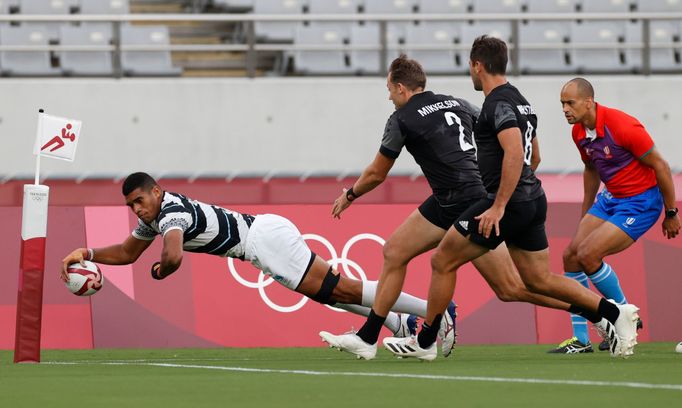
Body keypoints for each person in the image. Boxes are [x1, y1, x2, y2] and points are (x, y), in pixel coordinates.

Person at [381, 36, 640, 360]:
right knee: (538, 280)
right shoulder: (520, 101)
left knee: (442, 259)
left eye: (470, 67)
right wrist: (520, 191)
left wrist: (500, 204)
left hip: (509, 203)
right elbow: (536, 156)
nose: (471, 74)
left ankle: (425, 343)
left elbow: (516, 153)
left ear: (478, 66)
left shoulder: (497, 104)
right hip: (531, 198)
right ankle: (615, 313)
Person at [318, 55, 582, 361]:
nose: (389, 97)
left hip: (470, 201)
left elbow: (378, 173)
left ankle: (595, 312)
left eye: (390, 89)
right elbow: (506, 126)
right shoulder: (456, 102)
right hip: (447, 199)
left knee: (511, 288)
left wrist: (349, 195)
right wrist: (529, 155)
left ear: (402, 88)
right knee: (394, 251)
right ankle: (368, 337)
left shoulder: (401, 119)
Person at [60, 172, 451, 341]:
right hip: (261, 238)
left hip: (261, 241)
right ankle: (400, 324)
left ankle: (436, 312)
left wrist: (163, 269)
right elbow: (128, 252)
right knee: (331, 294)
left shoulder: (170, 211)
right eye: (131, 206)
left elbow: (174, 253)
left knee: (341, 289)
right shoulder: (157, 214)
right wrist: (89, 251)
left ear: (156, 191)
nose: (137, 210)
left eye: (140, 200)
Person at [548, 78, 680, 353]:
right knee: (571, 256)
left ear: (588, 102)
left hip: (640, 202)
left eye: (570, 103)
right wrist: (586, 211)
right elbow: (591, 169)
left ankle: (624, 315)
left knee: (588, 255)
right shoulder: (579, 132)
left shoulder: (622, 125)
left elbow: (662, 166)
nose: (565, 109)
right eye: (562, 103)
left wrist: (671, 211)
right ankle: (581, 340)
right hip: (610, 199)